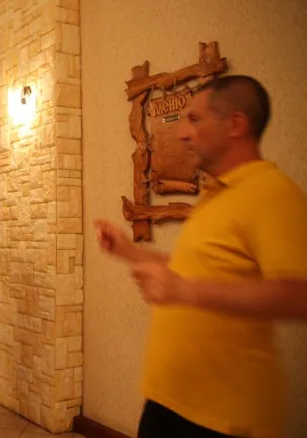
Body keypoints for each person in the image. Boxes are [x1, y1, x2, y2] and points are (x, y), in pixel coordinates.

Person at [96, 75, 307, 438]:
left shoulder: (273, 193)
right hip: (167, 402)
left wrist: (187, 292)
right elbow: (191, 272)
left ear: (236, 124)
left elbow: (299, 295)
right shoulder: (215, 196)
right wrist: (129, 252)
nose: (182, 133)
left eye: (194, 119)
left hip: (220, 420)